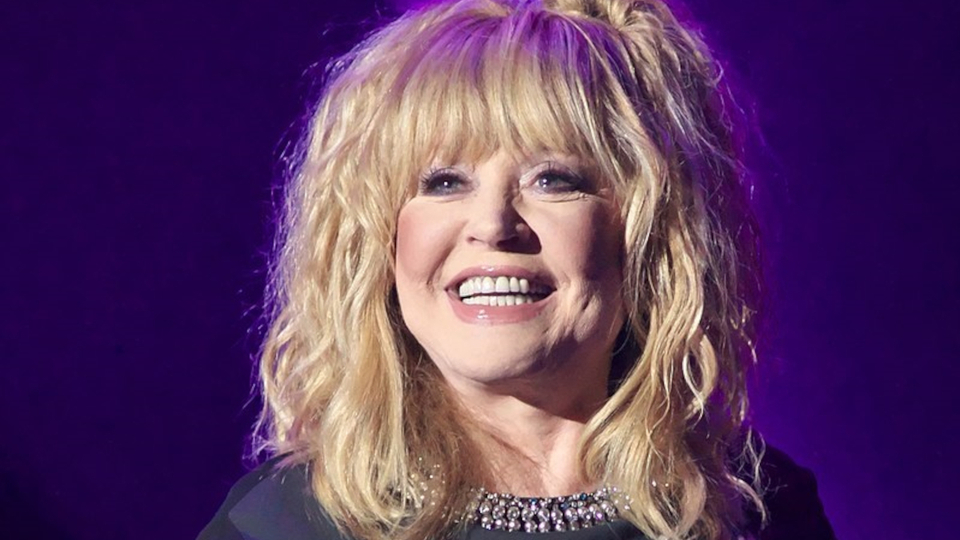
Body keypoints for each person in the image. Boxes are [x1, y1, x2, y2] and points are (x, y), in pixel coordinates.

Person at [199, 0, 836, 539]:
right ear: (378, 241)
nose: (493, 224)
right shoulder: (281, 524)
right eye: (444, 181)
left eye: (553, 179)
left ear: (652, 231)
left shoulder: (757, 510)